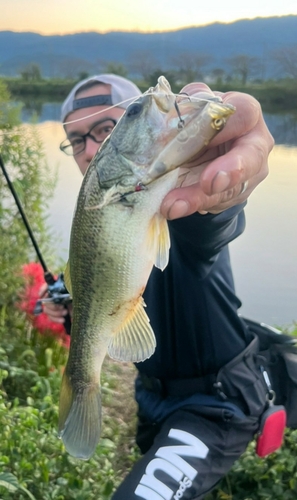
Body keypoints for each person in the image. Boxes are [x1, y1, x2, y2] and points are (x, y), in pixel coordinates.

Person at [41, 73, 274, 499]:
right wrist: (71, 312)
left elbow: (214, 224)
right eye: (76, 140)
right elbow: (109, 299)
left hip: (216, 401)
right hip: (150, 398)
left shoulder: (177, 195)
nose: (90, 149)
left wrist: (222, 191)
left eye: (106, 129)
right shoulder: (98, 215)